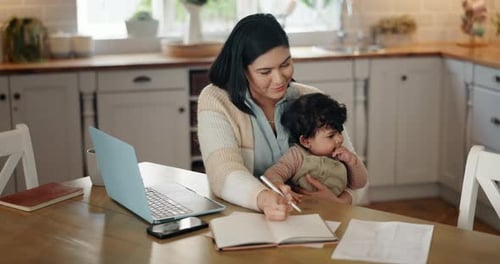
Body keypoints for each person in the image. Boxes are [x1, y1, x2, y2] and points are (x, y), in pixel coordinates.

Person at [197, 13, 368, 221]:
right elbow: (222, 173)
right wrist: (264, 198)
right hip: (243, 221)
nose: (279, 79)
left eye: (285, 64)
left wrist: (343, 201)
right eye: (265, 71)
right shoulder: (216, 100)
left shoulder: (311, 99)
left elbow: (356, 175)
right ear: (241, 70)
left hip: (315, 222)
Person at [263, 93, 367, 198]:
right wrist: (280, 187)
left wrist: (352, 162)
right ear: (306, 141)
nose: (340, 139)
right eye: (331, 136)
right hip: (303, 210)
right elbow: (272, 174)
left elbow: (359, 184)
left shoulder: (341, 156)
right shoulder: (296, 156)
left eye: (340, 132)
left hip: (336, 210)